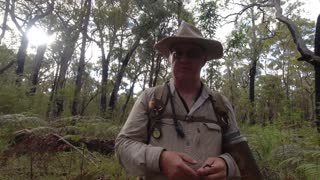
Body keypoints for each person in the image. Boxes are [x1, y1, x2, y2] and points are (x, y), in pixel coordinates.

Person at [115, 21, 261, 180]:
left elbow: (241, 157)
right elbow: (123, 145)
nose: (184, 59)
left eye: (192, 53)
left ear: (203, 60)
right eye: (177, 53)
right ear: (171, 58)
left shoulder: (221, 105)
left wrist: (227, 165)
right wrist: (160, 159)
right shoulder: (151, 98)